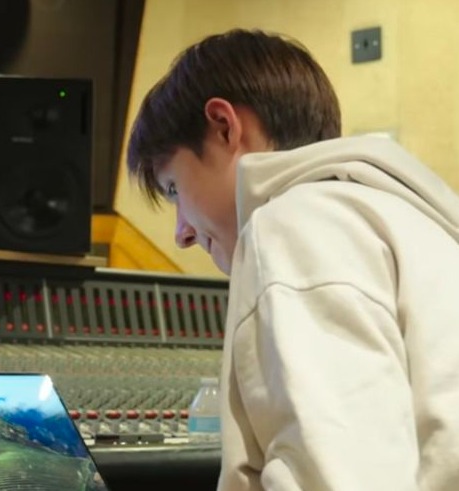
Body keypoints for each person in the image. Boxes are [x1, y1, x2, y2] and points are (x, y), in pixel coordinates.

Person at [126, 28, 459, 491]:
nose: (181, 233)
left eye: (174, 189)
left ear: (224, 126)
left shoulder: (294, 223)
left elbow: (343, 477)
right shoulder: (412, 222)